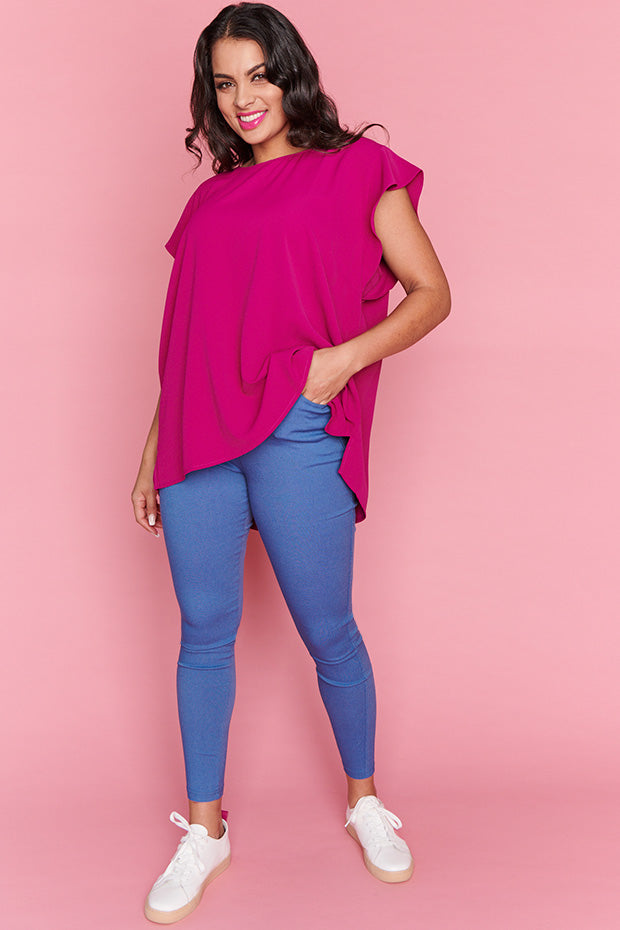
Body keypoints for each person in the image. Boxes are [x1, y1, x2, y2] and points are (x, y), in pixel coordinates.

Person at [131, 2, 451, 923]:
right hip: (197, 439)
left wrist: (339, 362)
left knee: (327, 628)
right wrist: (152, 449)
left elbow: (431, 293)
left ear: (290, 73)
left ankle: (365, 802)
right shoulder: (207, 201)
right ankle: (206, 831)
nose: (243, 98)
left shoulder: (360, 170)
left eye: (258, 75)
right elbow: (185, 343)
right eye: (224, 83)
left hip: (298, 429)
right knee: (204, 632)